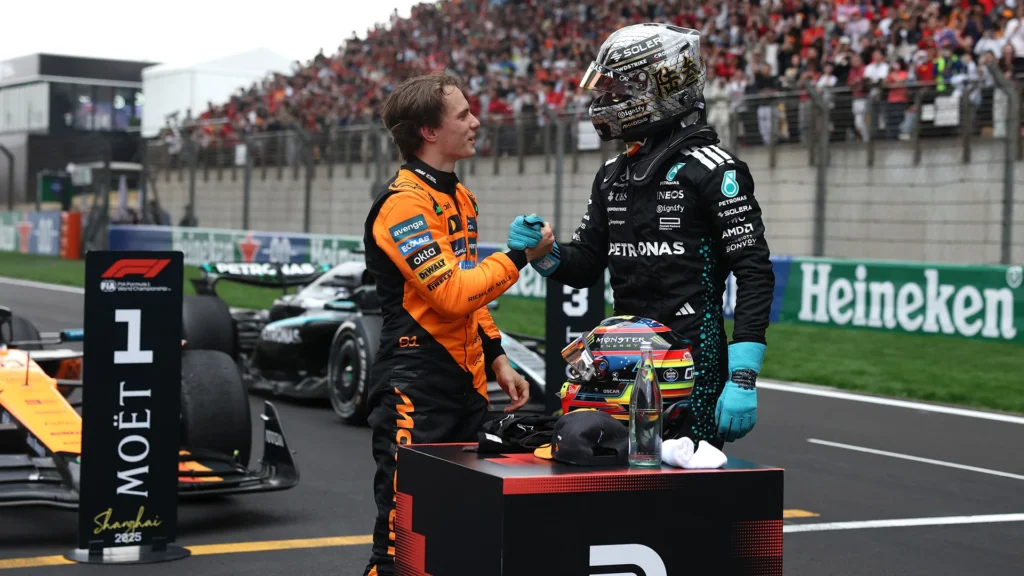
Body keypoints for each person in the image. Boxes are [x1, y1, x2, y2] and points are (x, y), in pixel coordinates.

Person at [509, 24, 775, 449]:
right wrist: (545, 253)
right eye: (605, 87)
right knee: (610, 487)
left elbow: (754, 272)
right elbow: (586, 266)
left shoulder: (714, 169)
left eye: (617, 88)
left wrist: (743, 377)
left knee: (682, 499)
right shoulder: (612, 174)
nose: (604, 100)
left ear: (659, 87)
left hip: (693, 366)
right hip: (619, 359)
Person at [362, 71, 553, 576]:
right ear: (428, 130)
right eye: (463, 114)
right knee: (402, 537)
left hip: (464, 384)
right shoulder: (403, 203)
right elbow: (451, 294)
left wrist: (496, 355)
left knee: (455, 528)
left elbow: (471, 291)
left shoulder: (459, 197)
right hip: (415, 386)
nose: (476, 121)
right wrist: (518, 257)